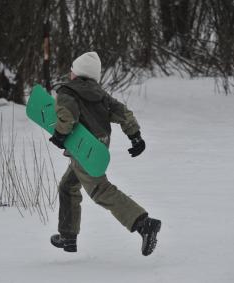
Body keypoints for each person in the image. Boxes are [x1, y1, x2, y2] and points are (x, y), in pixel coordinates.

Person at [49, 51, 161, 256]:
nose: (70, 73)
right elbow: (123, 113)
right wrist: (135, 136)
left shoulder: (68, 92)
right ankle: (68, 236)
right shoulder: (100, 95)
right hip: (99, 147)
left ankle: (144, 224)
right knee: (68, 186)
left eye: (72, 70)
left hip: (83, 149)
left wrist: (59, 134)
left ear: (76, 73)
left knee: (100, 189)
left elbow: (67, 116)